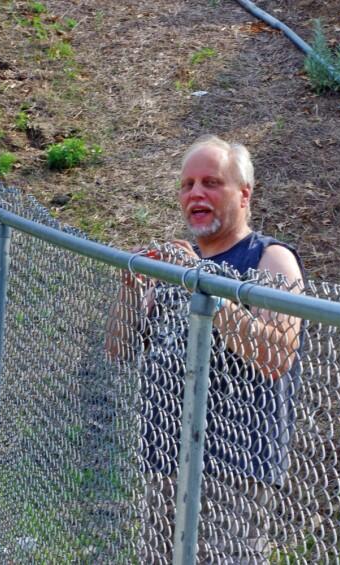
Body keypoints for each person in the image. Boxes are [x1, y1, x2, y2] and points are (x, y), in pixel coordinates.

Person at [106, 135, 305, 561]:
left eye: (211, 182)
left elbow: (275, 359)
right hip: (164, 460)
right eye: (187, 184)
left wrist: (202, 279)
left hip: (232, 469)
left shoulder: (269, 260)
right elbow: (119, 349)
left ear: (244, 194)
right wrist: (131, 288)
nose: (196, 192)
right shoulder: (174, 263)